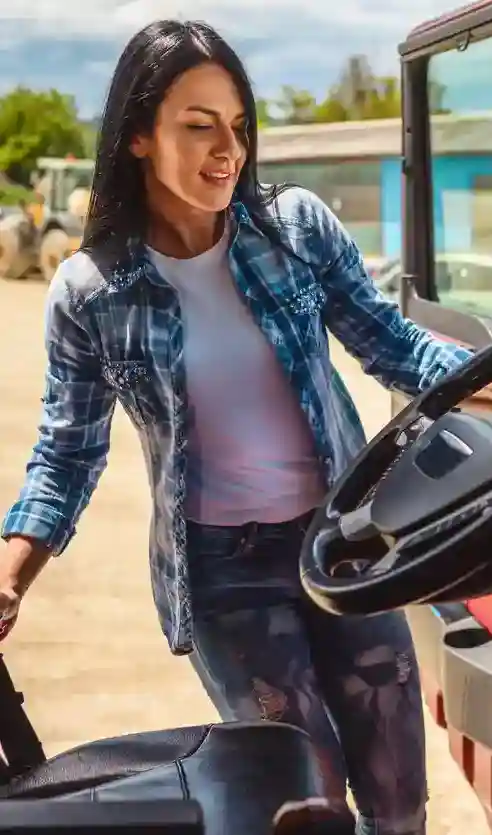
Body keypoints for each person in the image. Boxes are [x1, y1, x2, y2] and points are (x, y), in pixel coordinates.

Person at [0, 20, 472, 835]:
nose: (230, 149)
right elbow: (66, 453)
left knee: (399, 798)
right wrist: (11, 570)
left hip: (347, 546)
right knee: (304, 803)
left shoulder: (295, 230)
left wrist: (482, 378)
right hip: (227, 577)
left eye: (239, 125)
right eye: (199, 125)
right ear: (140, 136)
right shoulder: (90, 292)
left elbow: (392, 343)